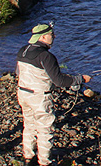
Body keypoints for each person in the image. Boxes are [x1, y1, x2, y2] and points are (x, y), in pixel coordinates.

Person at [16, 23, 93, 166]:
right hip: (39, 97)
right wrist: (80, 79)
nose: (54, 37)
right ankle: (44, 162)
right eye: (52, 35)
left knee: (29, 125)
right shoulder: (46, 56)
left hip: (22, 94)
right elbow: (59, 81)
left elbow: (18, 73)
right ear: (43, 37)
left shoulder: (23, 51)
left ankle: (28, 157)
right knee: (45, 129)